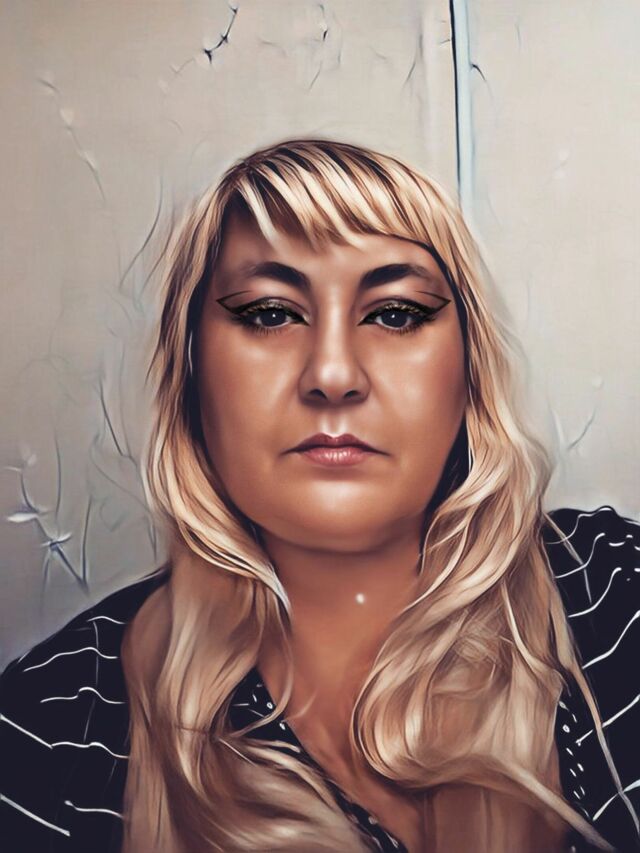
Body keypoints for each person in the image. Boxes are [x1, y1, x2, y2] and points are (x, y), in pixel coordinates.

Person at [0, 139, 638, 853]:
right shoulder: (52, 732)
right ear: (191, 372)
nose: (333, 375)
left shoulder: (614, 594)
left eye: (395, 314)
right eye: (270, 313)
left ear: (469, 369)